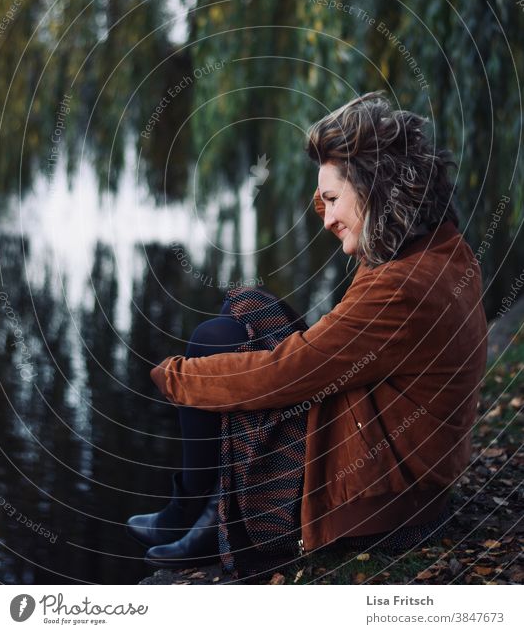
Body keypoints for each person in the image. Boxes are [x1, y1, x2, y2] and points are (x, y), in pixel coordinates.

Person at [128, 90, 488, 578]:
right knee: (247, 309)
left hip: (383, 506)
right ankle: (202, 506)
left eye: (333, 199)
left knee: (217, 345)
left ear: (378, 187)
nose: (327, 218)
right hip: (407, 480)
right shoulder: (438, 249)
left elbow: (291, 372)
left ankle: (206, 511)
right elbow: (324, 353)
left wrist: (175, 378)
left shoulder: (402, 287)